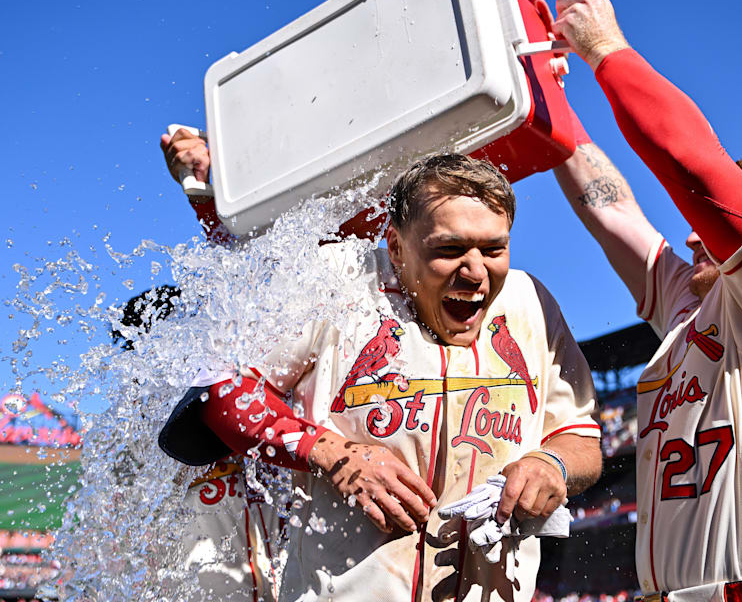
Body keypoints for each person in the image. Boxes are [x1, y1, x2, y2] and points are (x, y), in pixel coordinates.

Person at [158, 131, 604, 602]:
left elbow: (580, 437)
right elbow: (221, 393)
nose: (475, 273)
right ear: (395, 246)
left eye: (494, 249)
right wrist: (334, 454)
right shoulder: (338, 279)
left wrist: (550, 463)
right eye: (449, 250)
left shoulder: (529, 300)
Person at [550, 0, 742, 599]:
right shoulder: (695, 301)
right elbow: (612, 209)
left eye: (708, 227)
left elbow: (693, 162)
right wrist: (547, 100)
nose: (690, 234)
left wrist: (607, 50)